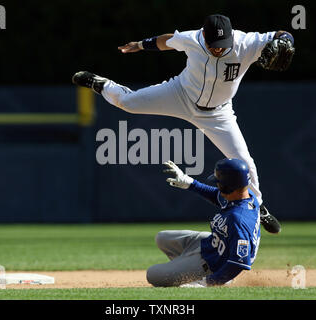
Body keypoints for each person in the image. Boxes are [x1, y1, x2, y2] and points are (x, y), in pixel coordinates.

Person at [72, 14, 295, 233]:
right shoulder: (193, 38)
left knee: (245, 163)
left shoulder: (246, 43)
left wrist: (285, 41)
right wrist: (140, 45)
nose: (218, 48)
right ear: (204, 36)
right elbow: (166, 41)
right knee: (126, 102)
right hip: (180, 95)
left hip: (219, 114)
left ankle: (258, 207)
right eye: (213, 44)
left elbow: (283, 34)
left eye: (222, 43)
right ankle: (99, 83)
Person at [146, 158, 260, 287]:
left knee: (152, 274)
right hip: (213, 243)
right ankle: (185, 266)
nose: (217, 185)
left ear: (228, 186)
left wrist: (208, 282)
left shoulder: (239, 218)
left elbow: (239, 262)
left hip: (214, 263)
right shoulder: (243, 195)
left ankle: (200, 273)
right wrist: (190, 183)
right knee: (162, 238)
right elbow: (215, 194)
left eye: (219, 183)